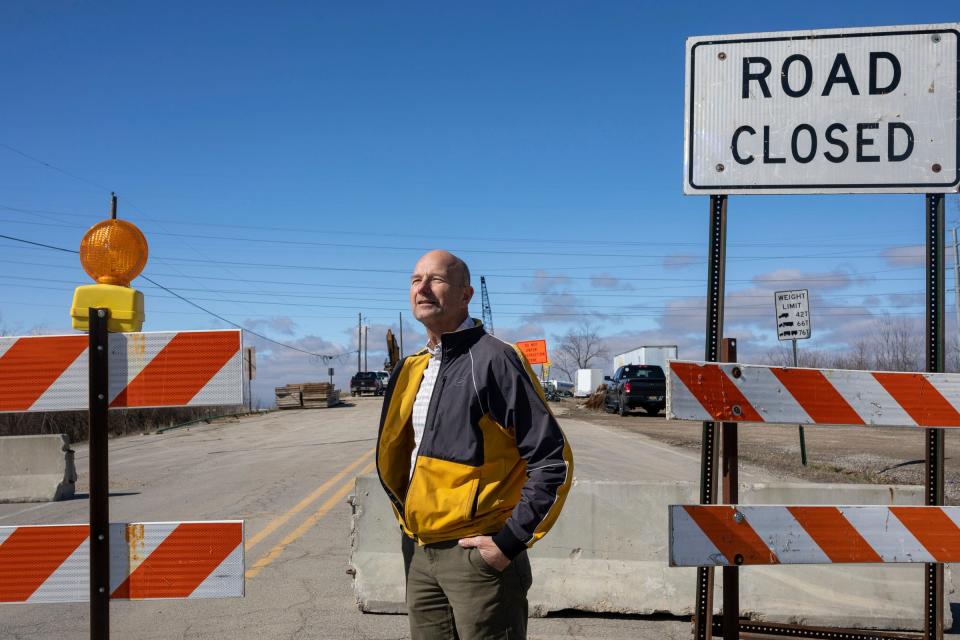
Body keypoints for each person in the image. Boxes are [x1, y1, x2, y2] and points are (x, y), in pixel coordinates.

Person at [375, 249, 574, 640]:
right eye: (416, 280)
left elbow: (552, 462)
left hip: (477, 557)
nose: (423, 289)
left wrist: (506, 544)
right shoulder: (411, 367)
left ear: (466, 294)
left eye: (437, 280)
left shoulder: (495, 360)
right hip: (420, 549)